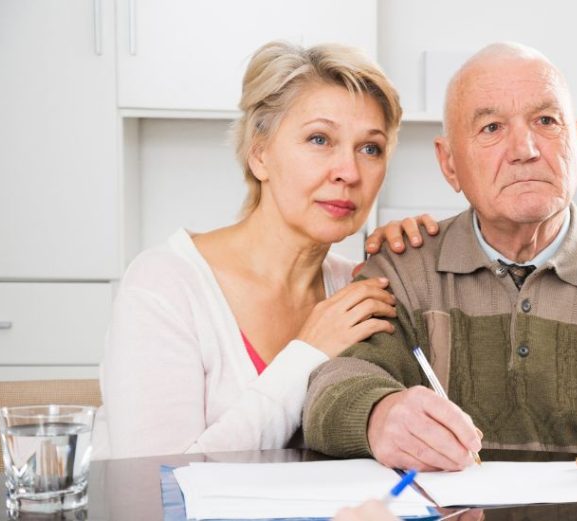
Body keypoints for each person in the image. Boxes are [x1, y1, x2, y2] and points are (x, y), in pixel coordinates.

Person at [301, 42, 577, 472]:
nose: (525, 148)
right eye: (492, 128)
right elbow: (332, 386)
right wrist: (379, 414)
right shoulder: (402, 269)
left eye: (546, 121)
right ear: (449, 165)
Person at [94, 41, 432, 459]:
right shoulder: (165, 286)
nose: (349, 172)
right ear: (259, 154)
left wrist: (420, 263)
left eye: (370, 149)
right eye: (319, 139)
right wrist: (308, 354)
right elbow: (160, 481)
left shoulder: (357, 289)